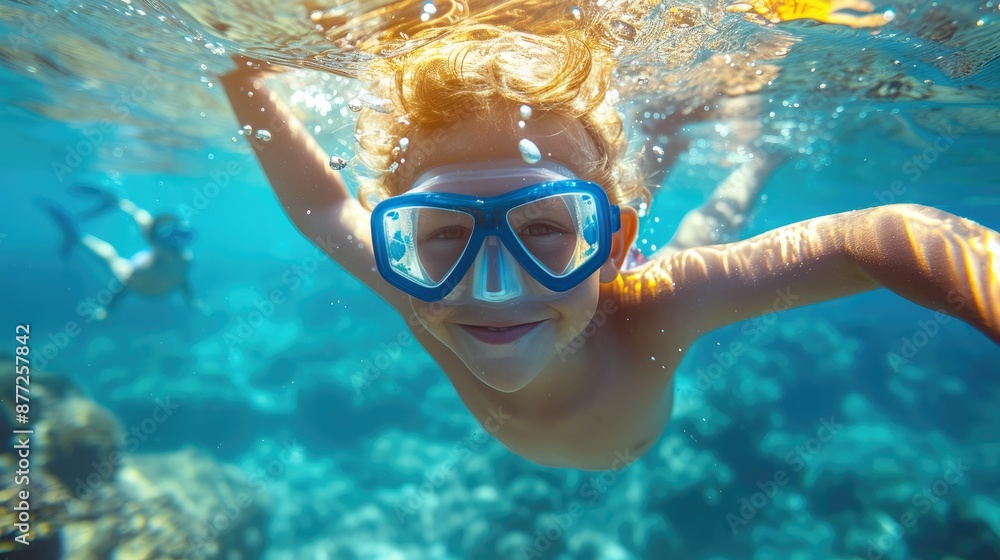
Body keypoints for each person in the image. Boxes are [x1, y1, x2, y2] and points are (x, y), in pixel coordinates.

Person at [221, 0, 997, 470]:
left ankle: (750, 166)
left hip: (630, 291)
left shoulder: (653, 306)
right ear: (403, 246)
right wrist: (240, 77)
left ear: (612, 249)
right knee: (630, 223)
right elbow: (325, 207)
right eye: (445, 234)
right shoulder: (414, 281)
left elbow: (883, 235)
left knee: (695, 241)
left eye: (544, 233)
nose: (494, 286)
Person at [39, 185, 201, 320]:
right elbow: (122, 289)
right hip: (142, 277)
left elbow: (183, 282)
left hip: (148, 279)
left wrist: (192, 301)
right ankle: (80, 235)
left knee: (113, 256)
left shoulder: (185, 260)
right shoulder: (147, 269)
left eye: (182, 235)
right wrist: (107, 310)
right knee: (111, 257)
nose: (178, 242)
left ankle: (117, 206)